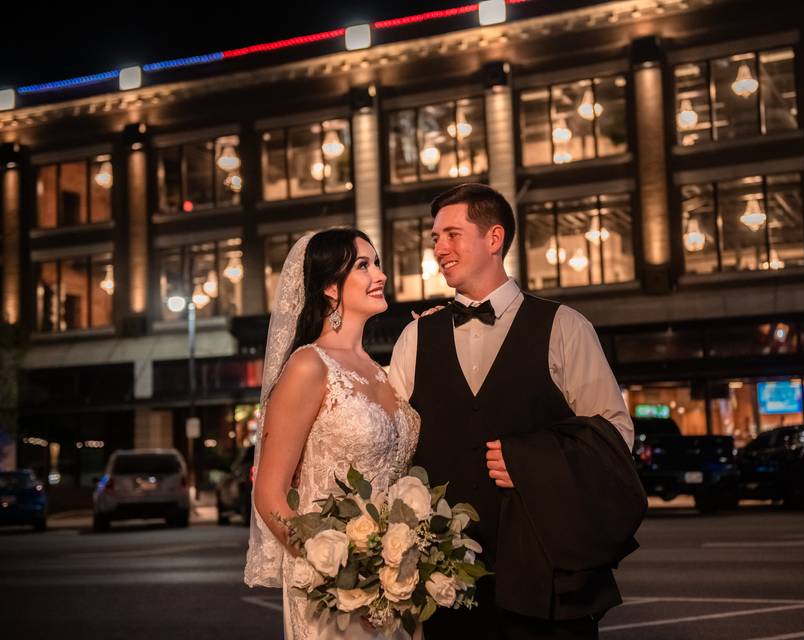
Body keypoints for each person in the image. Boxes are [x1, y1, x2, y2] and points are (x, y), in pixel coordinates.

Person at [389, 183, 634, 639]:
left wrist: (531, 460)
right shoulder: (416, 337)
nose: (439, 248)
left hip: (544, 572)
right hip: (447, 582)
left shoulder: (564, 326)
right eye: (435, 238)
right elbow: (391, 441)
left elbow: (615, 435)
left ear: (494, 238)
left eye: (452, 234)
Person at [244, 229, 421, 639]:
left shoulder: (382, 372)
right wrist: (342, 579)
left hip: (395, 585)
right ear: (328, 287)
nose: (380, 275)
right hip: (332, 594)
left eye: (376, 263)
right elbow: (268, 495)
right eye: (363, 265)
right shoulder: (309, 366)